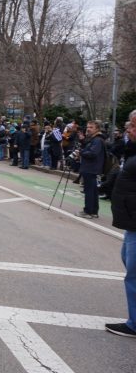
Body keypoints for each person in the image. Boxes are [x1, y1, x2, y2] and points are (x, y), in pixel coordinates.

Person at [106, 110, 136, 338]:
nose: (128, 130)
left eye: (133, 126)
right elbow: (114, 150)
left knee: (134, 274)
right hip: (131, 222)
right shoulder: (130, 148)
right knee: (128, 261)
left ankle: (135, 323)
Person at [75, 120, 107, 219]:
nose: (88, 129)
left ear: (97, 129)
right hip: (91, 168)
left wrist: (81, 153)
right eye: (88, 127)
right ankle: (93, 211)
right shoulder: (94, 139)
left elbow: (92, 153)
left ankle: (88, 211)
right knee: (93, 191)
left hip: (91, 168)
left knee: (89, 190)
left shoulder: (97, 140)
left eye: (91, 127)